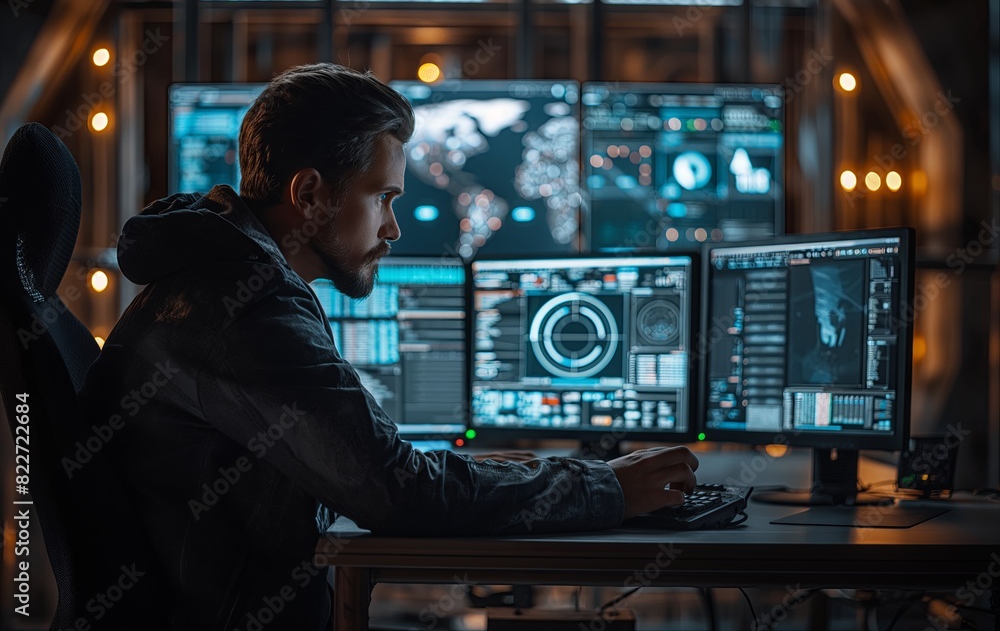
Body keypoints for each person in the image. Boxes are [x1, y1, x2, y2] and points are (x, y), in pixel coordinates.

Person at [80, 63, 699, 630]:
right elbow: (396, 491)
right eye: (383, 197)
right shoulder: (243, 310)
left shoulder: (225, 281)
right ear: (310, 196)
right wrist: (604, 489)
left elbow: (376, 468)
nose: (393, 227)